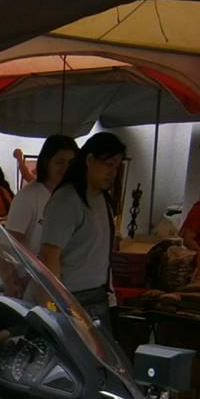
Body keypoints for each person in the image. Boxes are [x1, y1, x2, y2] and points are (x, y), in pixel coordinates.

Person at [39, 131, 126, 327]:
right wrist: (53, 307)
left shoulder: (103, 200)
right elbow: (49, 257)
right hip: (69, 300)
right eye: (109, 164)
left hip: (98, 297)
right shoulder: (67, 200)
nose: (113, 172)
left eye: (117, 166)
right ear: (89, 160)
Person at [6, 134, 78, 254]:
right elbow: (11, 246)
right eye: (60, 162)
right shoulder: (27, 197)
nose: (66, 168)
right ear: (46, 162)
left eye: (71, 163)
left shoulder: (74, 197)